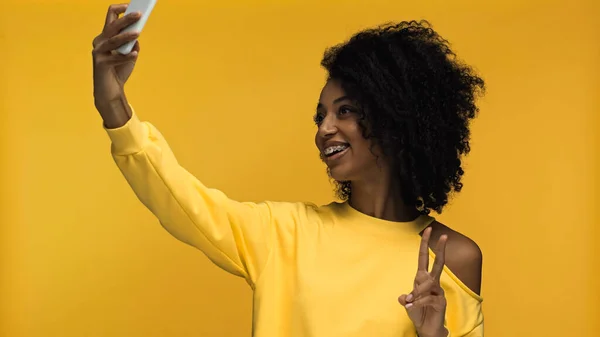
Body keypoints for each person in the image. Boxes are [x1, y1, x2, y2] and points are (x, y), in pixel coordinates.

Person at [92, 4, 485, 337]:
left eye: (344, 110)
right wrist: (113, 104)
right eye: (321, 115)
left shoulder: (453, 258)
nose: (324, 129)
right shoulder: (284, 234)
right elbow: (177, 197)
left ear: (396, 116)